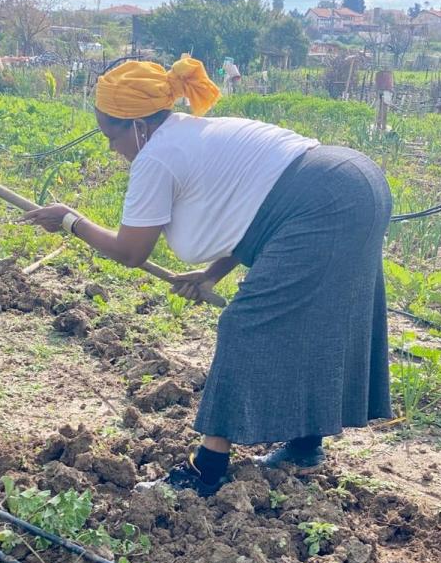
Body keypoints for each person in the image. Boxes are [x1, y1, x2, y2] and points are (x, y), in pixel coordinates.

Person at [21, 57, 393, 497]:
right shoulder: (188, 132)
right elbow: (251, 206)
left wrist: (70, 220)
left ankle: (206, 469)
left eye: (111, 135)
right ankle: (305, 446)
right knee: (313, 322)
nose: (110, 149)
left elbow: (130, 251)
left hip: (322, 202)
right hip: (352, 182)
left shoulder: (157, 156)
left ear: (138, 124)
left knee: (244, 325)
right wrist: (212, 273)